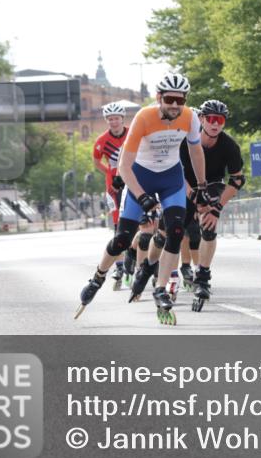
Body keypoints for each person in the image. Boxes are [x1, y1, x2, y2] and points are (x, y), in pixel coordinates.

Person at [75, 73, 208, 325]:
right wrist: (142, 196)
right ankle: (98, 276)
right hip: (140, 177)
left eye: (180, 100)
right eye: (169, 99)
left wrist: (201, 185)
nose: (175, 105)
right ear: (159, 98)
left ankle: (160, 288)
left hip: (171, 178)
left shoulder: (190, 117)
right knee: (123, 239)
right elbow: (124, 166)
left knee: (175, 231)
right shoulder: (144, 117)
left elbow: (195, 150)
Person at [178, 99, 246, 311]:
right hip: (184, 185)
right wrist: (193, 197)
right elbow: (175, 173)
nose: (216, 124)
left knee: (208, 227)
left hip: (212, 185)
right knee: (173, 230)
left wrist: (216, 209)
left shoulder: (229, 146)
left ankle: (203, 277)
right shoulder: (186, 140)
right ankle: (155, 269)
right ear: (201, 119)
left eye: (220, 120)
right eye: (211, 119)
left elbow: (237, 180)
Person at [92, 101, 132, 288]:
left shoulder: (132, 133)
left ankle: (136, 257)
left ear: (122, 119)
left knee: (140, 222)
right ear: (106, 121)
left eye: (116, 118)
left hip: (132, 179)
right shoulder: (101, 140)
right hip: (113, 187)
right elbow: (96, 162)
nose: (113, 122)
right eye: (110, 119)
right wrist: (110, 173)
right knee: (118, 227)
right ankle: (119, 266)